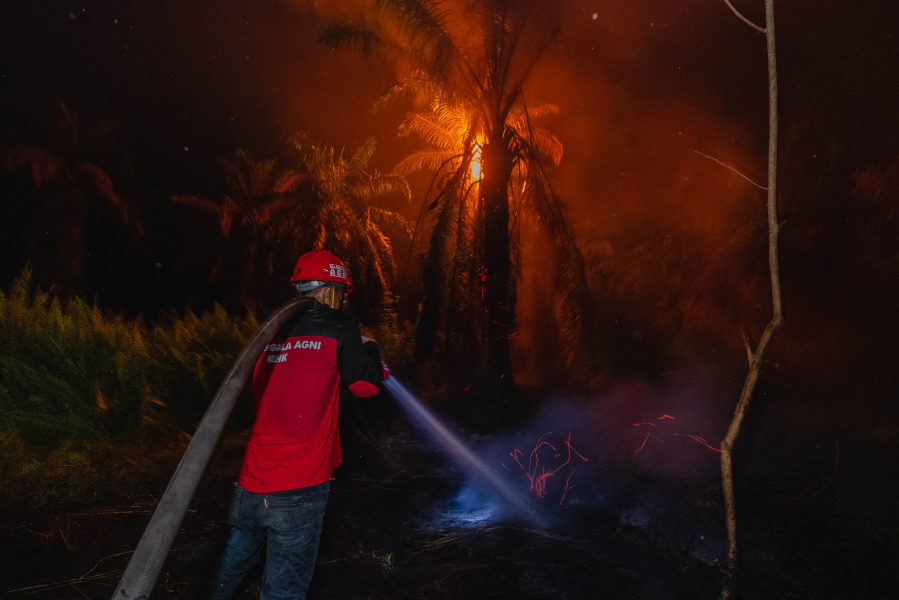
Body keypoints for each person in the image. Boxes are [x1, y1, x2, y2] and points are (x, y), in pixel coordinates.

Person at [208, 250, 385, 600]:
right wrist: (370, 350)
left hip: (252, 478)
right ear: (332, 290)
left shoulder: (272, 328)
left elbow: (269, 387)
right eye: (342, 294)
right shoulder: (339, 325)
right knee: (284, 588)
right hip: (298, 486)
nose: (343, 301)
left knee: (235, 559)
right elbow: (365, 386)